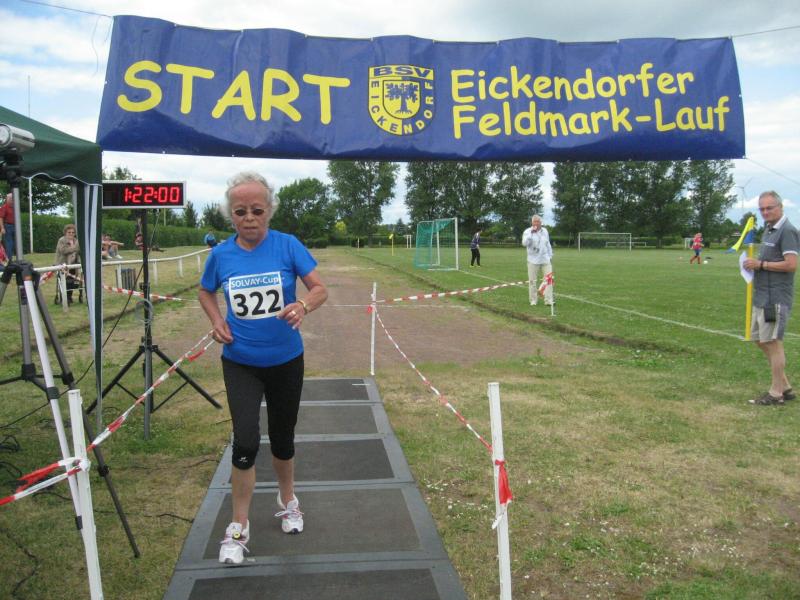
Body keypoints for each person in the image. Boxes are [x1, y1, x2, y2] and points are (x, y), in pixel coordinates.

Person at [199, 171, 328, 565]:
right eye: (241, 212)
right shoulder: (221, 255)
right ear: (231, 216)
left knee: (283, 437)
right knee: (246, 441)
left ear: (270, 210)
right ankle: (239, 525)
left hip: (286, 360)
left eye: (257, 210)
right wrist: (216, 320)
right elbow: (205, 291)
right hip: (241, 362)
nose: (249, 218)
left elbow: (320, 289)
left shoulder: (287, 245)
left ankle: (288, 500)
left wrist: (302, 305)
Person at [743, 191, 799, 405]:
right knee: (759, 338)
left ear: (780, 207)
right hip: (762, 296)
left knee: (773, 343)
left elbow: (791, 264)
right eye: (762, 209)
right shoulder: (768, 229)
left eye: (769, 208)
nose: (765, 212)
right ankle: (785, 386)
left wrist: (761, 265)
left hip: (775, 298)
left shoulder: (788, 231)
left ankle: (776, 393)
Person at [522, 215, 554, 306]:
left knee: (549, 280)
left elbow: (548, 244)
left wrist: (550, 255)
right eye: (534, 221)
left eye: (538, 221)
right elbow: (524, 243)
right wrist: (531, 234)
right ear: (532, 223)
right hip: (533, 260)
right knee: (532, 281)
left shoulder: (545, 231)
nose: (536, 223)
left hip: (545, 259)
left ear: (541, 223)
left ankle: (548, 300)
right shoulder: (527, 231)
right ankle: (533, 300)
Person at [55, 224, 81, 304]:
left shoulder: (76, 241)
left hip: (74, 264)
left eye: (73, 232)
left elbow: (79, 251)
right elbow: (64, 251)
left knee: (72, 282)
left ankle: (69, 297)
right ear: (65, 233)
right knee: (64, 282)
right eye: (69, 232)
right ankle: (63, 299)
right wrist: (75, 248)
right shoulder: (62, 240)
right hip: (63, 264)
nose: (71, 234)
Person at [0, 192, 17, 261]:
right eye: (8, 198)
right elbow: (1, 218)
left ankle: (18, 258)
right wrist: (2, 228)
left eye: (11, 198)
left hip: (15, 226)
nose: (10, 200)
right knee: (9, 243)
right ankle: (9, 260)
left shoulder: (15, 207)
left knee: (16, 243)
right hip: (8, 226)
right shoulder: (4, 207)